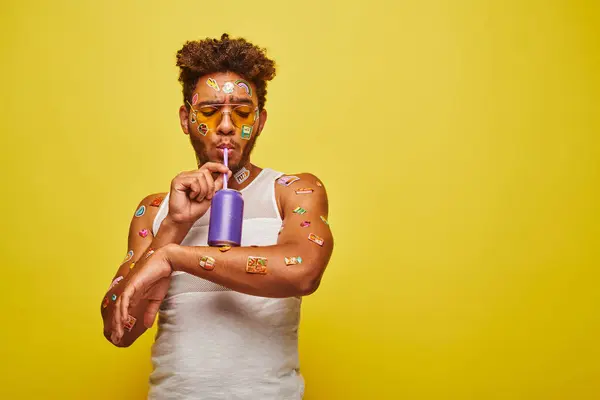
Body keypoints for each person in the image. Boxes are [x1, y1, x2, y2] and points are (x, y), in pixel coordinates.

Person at [100, 33, 334, 400]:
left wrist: (175, 257)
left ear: (259, 121)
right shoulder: (156, 210)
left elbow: (302, 270)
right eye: (209, 111)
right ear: (186, 118)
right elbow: (118, 329)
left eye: (242, 111)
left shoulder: (292, 191)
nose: (226, 125)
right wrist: (173, 229)